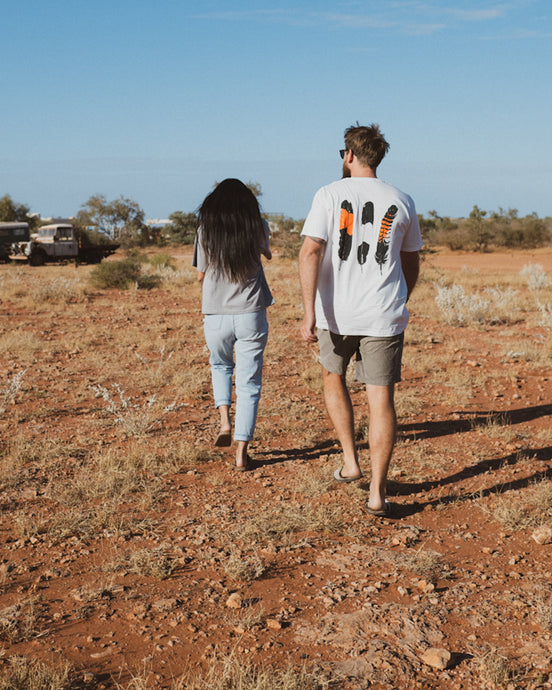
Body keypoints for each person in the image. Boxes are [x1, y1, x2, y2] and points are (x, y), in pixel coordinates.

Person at [298, 123, 422, 515]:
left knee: (333, 379)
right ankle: (377, 493)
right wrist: (402, 296)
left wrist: (308, 311)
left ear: (349, 155)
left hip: (336, 314)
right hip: (383, 314)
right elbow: (411, 259)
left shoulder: (329, 195)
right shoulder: (402, 199)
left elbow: (309, 253)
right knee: (381, 399)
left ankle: (351, 462)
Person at [193, 178, 274, 471]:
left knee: (220, 366)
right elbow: (267, 253)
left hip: (215, 312)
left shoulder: (206, 229)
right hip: (250, 312)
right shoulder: (259, 225)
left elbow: (201, 274)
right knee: (249, 383)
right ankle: (241, 453)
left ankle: (225, 421)